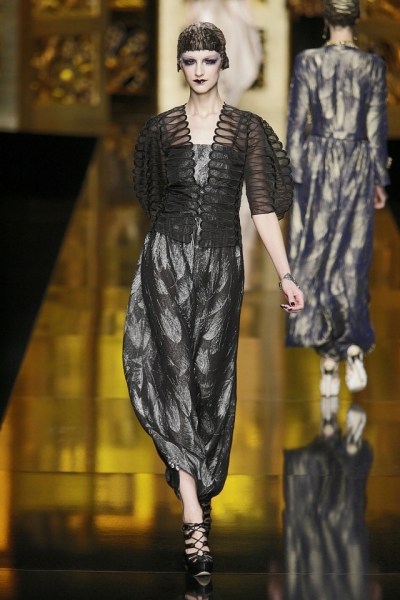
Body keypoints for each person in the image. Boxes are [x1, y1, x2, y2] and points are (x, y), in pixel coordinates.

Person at [123, 22, 304, 577]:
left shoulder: (247, 131)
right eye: (191, 60)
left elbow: (263, 207)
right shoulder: (162, 130)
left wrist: (286, 274)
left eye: (208, 59)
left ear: (224, 63)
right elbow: (153, 195)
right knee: (175, 374)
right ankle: (193, 518)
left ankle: (195, 481)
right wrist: (171, 244)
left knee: (208, 381)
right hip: (166, 261)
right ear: (180, 65)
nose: (200, 69)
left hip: (223, 267)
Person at [285, 0, 390, 397]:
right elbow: (376, 125)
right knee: (353, 258)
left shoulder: (308, 61)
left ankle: (329, 360)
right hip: (357, 162)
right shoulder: (372, 66)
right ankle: (351, 345)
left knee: (317, 255)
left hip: (316, 163)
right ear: (356, 20)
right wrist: (379, 177)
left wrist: (293, 172)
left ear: (325, 19)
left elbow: (296, 121)